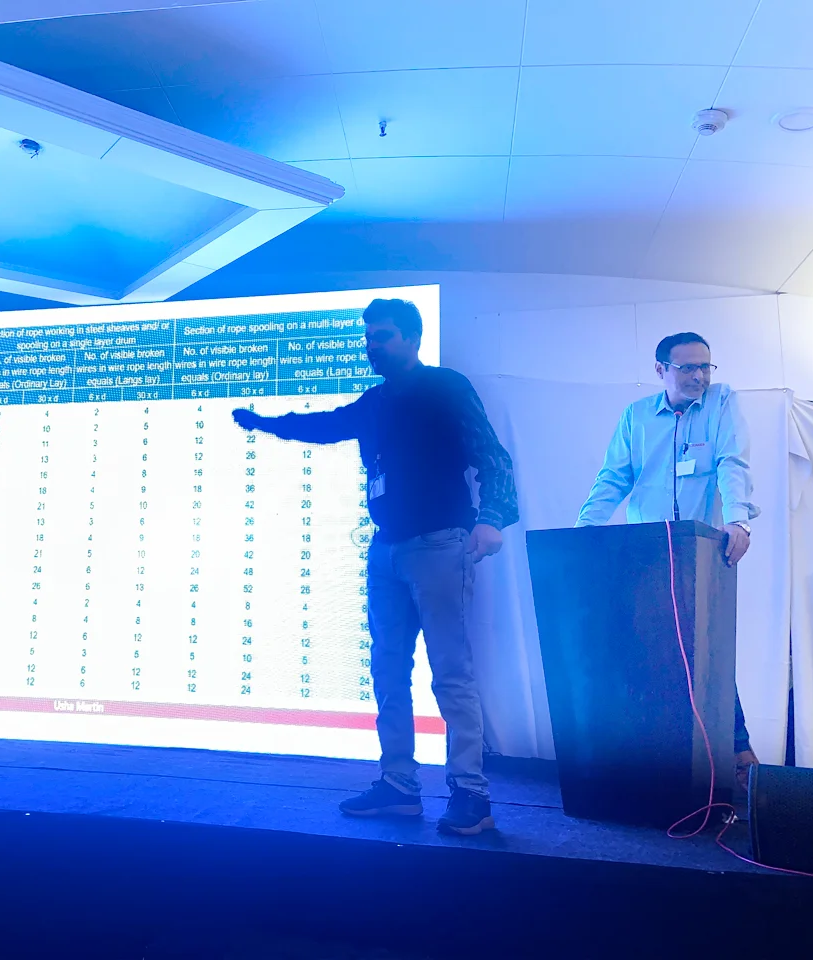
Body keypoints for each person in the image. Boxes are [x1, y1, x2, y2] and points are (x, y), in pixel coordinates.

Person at [231, 298, 518, 834]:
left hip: (439, 544)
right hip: (385, 549)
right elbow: (328, 425)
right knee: (387, 668)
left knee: (450, 671)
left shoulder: (445, 387)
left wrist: (492, 518)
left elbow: (491, 455)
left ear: (412, 338)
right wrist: (265, 424)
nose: (372, 345)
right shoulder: (376, 400)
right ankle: (399, 785)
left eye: (382, 335)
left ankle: (471, 794)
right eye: (368, 336)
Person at [576, 332, 761, 787]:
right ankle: (661, 761)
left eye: (705, 366)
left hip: (705, 551)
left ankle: (739, 753)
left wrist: (738, 520)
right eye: (687, 367)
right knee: (654, 654)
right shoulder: (636, 416)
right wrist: (584, 530)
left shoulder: (721, 403)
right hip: (646, 555)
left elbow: (732, 462)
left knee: (708, 653)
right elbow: (614, 477)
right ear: (661, 370)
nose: (699, 376)